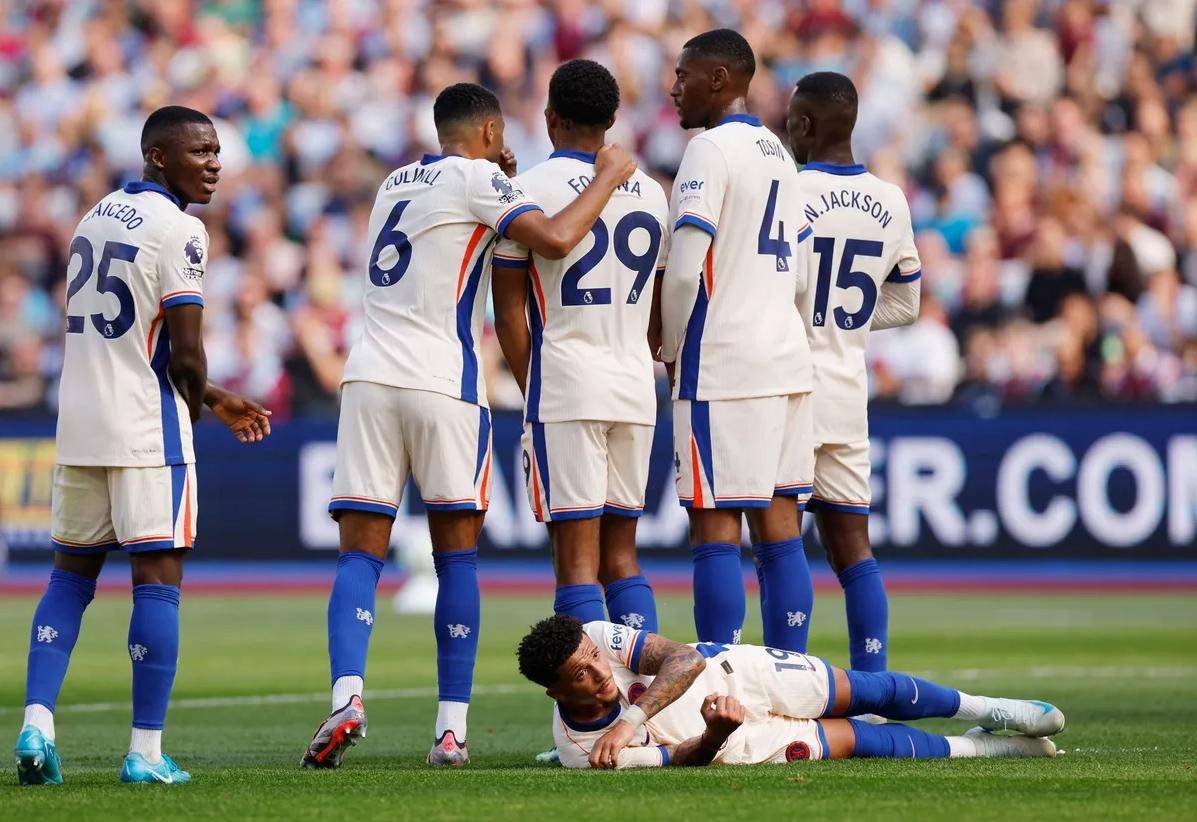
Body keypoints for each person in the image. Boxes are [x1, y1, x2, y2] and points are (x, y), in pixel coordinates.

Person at [301, 82, 636, 769]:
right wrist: (607, 175)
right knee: (455, 557)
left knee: (359, 556)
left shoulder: (395, 182)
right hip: (442, 381)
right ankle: (450, 729)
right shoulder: (481, 181)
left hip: (368, 377)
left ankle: (346, 697)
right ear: (488, 132)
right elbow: (556, 237)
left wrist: (498, 180)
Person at [15, 106, 273, 786]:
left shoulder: (95, 215)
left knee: (69, 578)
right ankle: (146, 753)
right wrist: (202, 403)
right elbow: (183, 352)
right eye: (199, 151)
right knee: (157, 582)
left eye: (216, 151)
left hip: (79, 423)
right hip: (145, 427)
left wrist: (214, 396)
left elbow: (128, 340)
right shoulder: (181, 228)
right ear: (158, 156)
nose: (214, 163)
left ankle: (36, 725)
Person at [493, 59, 667, 637]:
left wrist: (533, 386)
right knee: (622, 558)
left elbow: (508, 311)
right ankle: (646, 684)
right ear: (612, 119)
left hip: (568, 381)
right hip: (634, 384)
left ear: (550, 118)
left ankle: (594, 695)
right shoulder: (651, 192)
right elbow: (657, 315)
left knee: (575, 565)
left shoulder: (529, 189)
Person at [659, 29, 816, 651]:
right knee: (781, 532)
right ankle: (791, 676)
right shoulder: (779, 151)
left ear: (719, 79)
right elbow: (800, 276)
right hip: (786, 358)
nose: (675, 88)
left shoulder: (709, 149)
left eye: (684, 75)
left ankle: (720, 672)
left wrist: (671, 349)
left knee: (715, 529)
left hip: (723, 361)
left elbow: (683, 271)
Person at [517, 615, 1065, 769]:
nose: (599, 672)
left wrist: (630, 720)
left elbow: (684, 658)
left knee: (866, 690)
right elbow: (676, 758)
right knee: (858, 742)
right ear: (555, 693)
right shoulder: (580, 752)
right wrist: (715, 735)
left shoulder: (596, 634)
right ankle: (989, 746)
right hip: (732, 741)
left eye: (594, 658)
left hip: (738, 672)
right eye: (580, 674)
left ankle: (990, 708)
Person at [787, 71, 922, 673]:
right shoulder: (891, 199)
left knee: (779, 542)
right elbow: (908, 302)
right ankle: (874, 683)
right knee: (853, 551)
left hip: (788, 385)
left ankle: (787, 677)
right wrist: (852, 322)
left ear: (805, 124)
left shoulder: (787, 190)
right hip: (847, 386)